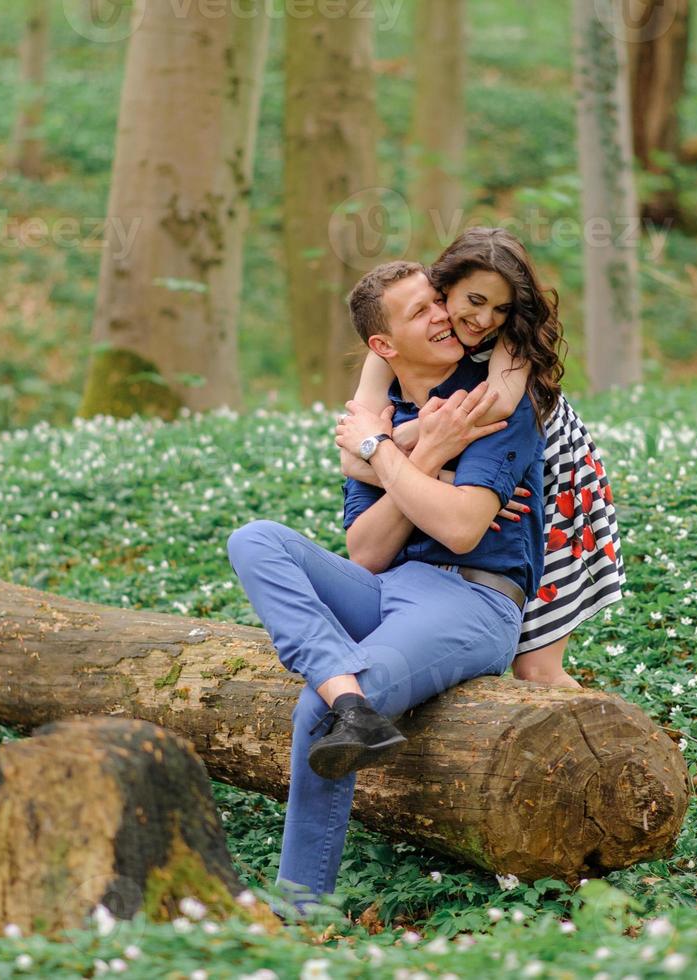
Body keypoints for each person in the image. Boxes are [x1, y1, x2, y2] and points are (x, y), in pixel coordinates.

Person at [226, 260, 545, 915]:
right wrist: (419, 455)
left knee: (322, 712)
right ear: (384, 347)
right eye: (419, 311)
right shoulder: (381, 416)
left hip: (473, 600)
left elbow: (460, 528)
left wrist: (388, 457)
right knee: (255, 538)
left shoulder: (487, 398)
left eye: (438, 301)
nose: (442, 316)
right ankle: (343, 686)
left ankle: (301, 906)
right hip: (391, 588)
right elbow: (367, 552)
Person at [345, 228, 624, 689]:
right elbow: (354, 457)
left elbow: (494, 407)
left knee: (536, 667)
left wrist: (404, 435)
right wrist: (436, 467)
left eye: (500, 307)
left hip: (560, 484)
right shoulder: (395, 342)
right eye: (473, 300)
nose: (483, 319)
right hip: (492, 474)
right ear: (442, 287)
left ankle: (624, 747)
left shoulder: (512, 343)